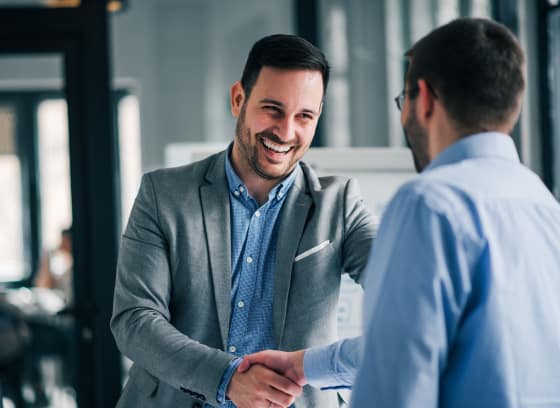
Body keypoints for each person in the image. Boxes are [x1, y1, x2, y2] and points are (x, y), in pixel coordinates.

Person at [238, 17, 560, 407]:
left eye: (402, 100)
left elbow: (396, 381)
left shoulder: (430, 204)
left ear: (422, 98)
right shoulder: (544, 206)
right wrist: (305, 365)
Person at [110, 34, 376, 408]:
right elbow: (135, 320)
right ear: (239, 99)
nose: (285, 132)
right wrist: (226, 378)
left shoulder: (340, 203)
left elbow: (410, 298)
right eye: (272, 109)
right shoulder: (163, 194)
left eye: (304, 116)